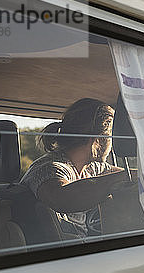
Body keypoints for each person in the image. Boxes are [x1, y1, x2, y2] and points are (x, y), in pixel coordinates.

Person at [20, 98, 131, 237]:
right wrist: (121, 178)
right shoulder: (49, 168)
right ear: (100, 139)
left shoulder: (92, 168)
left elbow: (130, 175)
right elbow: (61, 198)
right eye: (111, 137)